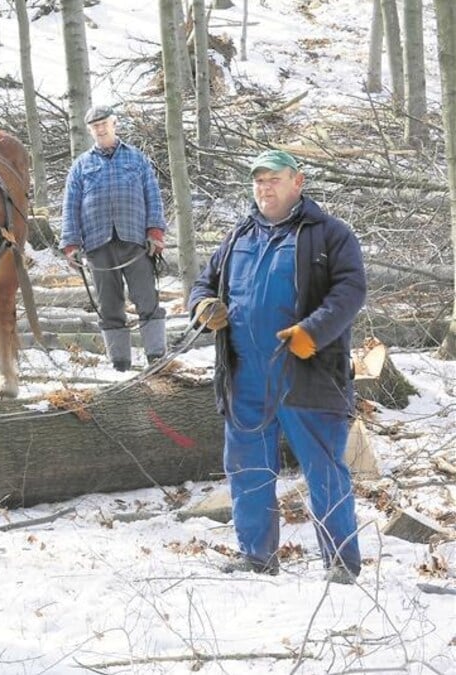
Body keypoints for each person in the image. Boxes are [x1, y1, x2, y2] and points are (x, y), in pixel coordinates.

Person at [188, 149, 366, 584]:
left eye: (274, 179)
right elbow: (202, 283)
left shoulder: (329, 234)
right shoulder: (239, 235)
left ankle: (342, 563)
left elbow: (351, 290)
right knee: (247, 466)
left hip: (307, 371)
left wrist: (314, 332)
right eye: (258, 181)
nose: (264, 188)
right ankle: (257, 556)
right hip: (244, 372)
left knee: (324, 469)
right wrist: (203, 306)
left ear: (297, 182)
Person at [60, 105, 167, 372]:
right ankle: (119, 363)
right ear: (90, 130)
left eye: (104, 123)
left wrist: (155, 231)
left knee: (146, 299)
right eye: (95, 125)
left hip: (135, 241)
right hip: (97, 243)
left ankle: (157, 357)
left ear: (114, 123)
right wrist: (71, 244)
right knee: (109, 304)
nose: (100, 128)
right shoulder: (81, 166)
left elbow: (153, 196)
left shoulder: (137, 159)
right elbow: (70, 206)